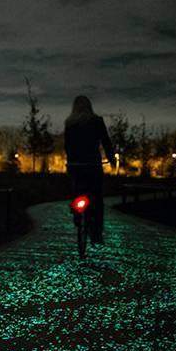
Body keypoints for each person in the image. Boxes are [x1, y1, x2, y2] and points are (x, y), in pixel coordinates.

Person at [63, 96, 114, 243]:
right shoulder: (97, 121)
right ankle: (96, 234)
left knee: (76, 188)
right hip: (92, 165)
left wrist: (70, 160)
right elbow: (106, 141)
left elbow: (67, 145)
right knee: (97, 197)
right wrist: (110, 158)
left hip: (75, 165)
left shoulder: (70, 123)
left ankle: (76, 213)